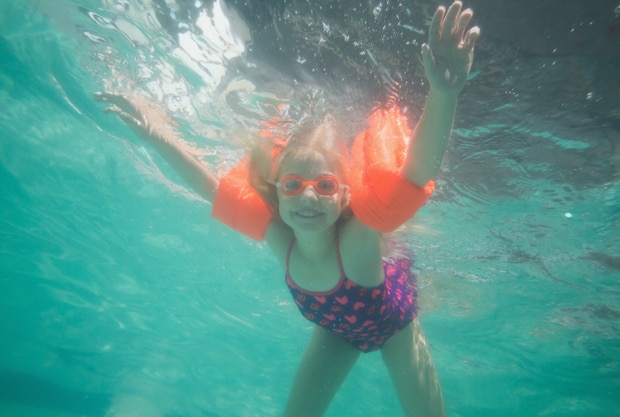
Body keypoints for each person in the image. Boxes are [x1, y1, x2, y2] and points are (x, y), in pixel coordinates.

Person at [96, 2, 479, 416]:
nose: (309, 197)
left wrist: (443, 94)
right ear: (276, 192)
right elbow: (211, 188)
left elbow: (414, 175)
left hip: (394, 325)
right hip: (337, 331)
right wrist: (156, 135)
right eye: (294, 185)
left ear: (345, 195)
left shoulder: (356, 239)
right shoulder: (281, 240)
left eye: (326, 185)